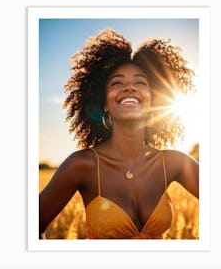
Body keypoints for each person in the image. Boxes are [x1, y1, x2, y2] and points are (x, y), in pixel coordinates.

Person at [39, 28, 199, 239]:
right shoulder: (81, 165)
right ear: (103, 102)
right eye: (117, 82)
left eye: (141, 82)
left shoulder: (174, 163)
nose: (129, 88)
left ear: (154, 99)